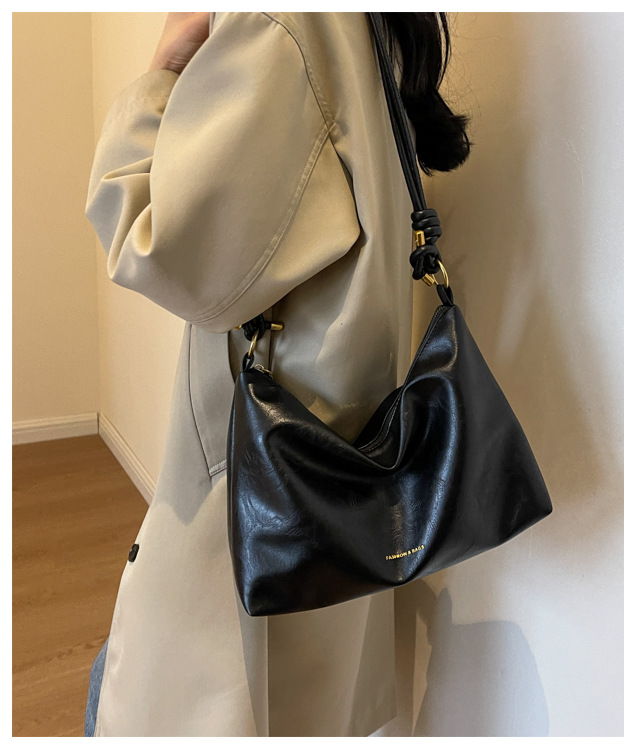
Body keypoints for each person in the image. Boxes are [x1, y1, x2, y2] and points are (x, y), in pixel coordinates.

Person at [84, 12, 471, 737]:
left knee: (167, 694)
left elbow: (158, 245)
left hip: (254, 488)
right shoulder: (363, 22)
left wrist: (161, 70)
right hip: (332, 468)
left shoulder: (279, 21)